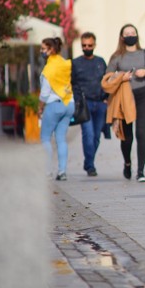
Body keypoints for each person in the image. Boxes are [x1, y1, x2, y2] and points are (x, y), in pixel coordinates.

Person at [106, 24, 145, 182]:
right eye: (127, 33)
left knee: (141, 133)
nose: (130, 35)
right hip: (124, 97)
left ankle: (141, 171)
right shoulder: (117, 56)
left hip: (143, 95)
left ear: (137, 35)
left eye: (132, 33)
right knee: (126, 136)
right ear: (122, 37)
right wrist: (122, 77)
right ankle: (127, 163)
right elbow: (107, 79)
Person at [71, 32, 108, 177]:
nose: (87, 47)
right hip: (84, 104)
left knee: (96, 136)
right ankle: (90, 165)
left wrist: (107, 97)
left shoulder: (100, 62)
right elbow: (73, 83)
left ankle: (89, 162)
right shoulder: (76, 63)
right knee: (88, 134)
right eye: (84, 45)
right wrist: (77, 100)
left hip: (100, 103)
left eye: (89, 45)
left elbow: (107, 80)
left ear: (94, 45)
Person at [39, 37, 75, 181]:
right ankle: (62, 171)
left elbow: (44, 94)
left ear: (51, 50)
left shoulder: (49, 69)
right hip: (69, 103)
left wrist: (39, 108)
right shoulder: (66, 64)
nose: (41, 51)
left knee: (45, 138)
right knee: (61, 139)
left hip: (54, 104)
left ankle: (47, 171)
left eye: (43, 49)